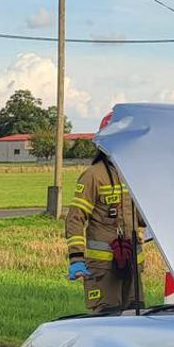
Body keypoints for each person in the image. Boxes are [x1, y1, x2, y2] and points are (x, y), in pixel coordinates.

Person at [66, 111, 145, 315]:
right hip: (103, 269)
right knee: (107, 322)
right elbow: (75, 218)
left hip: (132, 267)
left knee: (135, 322)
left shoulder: (134, 175)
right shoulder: (93, 176)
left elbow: (143, 218)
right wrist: (76, 259)